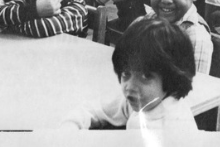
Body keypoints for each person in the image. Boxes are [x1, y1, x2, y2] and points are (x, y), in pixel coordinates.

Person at [62, 18, 198, 133]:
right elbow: (92, 109)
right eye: (126, 74)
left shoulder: (173, 129)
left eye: (145, 76)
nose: (130, 86)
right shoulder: (143, 100)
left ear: (172, 79)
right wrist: (69, 129)